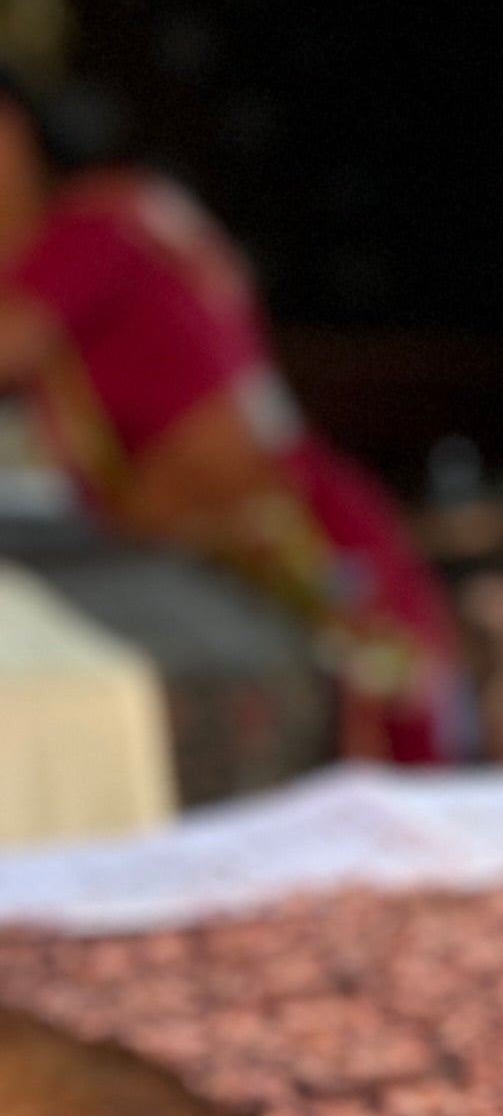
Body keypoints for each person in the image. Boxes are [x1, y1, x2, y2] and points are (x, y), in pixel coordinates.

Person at [0, 79, 472, 762]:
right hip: (243, 554)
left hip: (298, 548)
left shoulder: (93, 227)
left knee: (394, 763)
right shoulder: (115, 224)